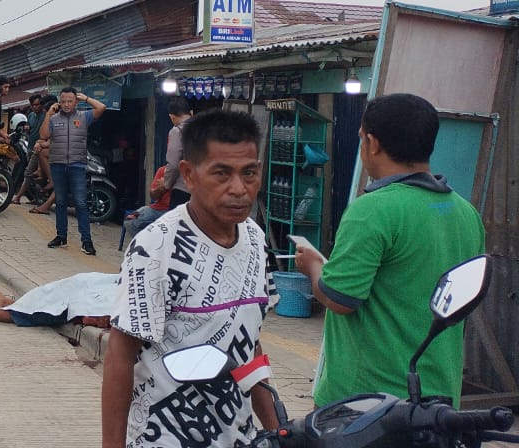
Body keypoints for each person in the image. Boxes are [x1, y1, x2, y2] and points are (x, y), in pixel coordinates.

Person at [293, 93, 485, 408]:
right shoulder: (465, 213)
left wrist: (314, 267)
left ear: (372, 143)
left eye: (360, 139)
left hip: (367, 401)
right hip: (439, 399)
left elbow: (341, 300)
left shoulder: (372, 209)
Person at [102, 109, 278, 448]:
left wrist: (276, 430)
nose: (239, 189)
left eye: (250, 173)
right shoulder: (155, 248)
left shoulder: (256, 240)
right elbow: (120, 356)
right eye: (222, 174)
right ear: (189, 175)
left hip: (239, 437)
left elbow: (250, 345)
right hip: (164, 437)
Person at [39, 87, 107, 255]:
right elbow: (44, 134)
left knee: (81, 203)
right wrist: (48, 114)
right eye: (63, 101)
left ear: (76, 102)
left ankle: (86, 241)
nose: (67, 104)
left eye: (70, 101)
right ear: (59, 102)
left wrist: (87, 98)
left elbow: (101, 108)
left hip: (77, 165)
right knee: (60, 202)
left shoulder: (84, 116)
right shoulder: (54, 119)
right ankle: (61, 236)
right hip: (58, 165)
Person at [0, 272, 118, 329]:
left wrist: (96, 318)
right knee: (49, 292)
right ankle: (8, 303)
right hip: (95, 284)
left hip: (94, 299)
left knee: (32, 313)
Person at [151, 96, 194, 209]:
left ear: (172, 117)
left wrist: (165, 184)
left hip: (183, 189)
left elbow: (174, 164)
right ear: (191, 113)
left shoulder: (177, 131)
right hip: (201, 190)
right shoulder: (205, 130)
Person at [122, 165, 172, 236]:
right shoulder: (163, 170)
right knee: (129, 220)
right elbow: (153, 196)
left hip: (174, 212)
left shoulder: (187, 173)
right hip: (158, 209)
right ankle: (146, 244)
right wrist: (162, 187)